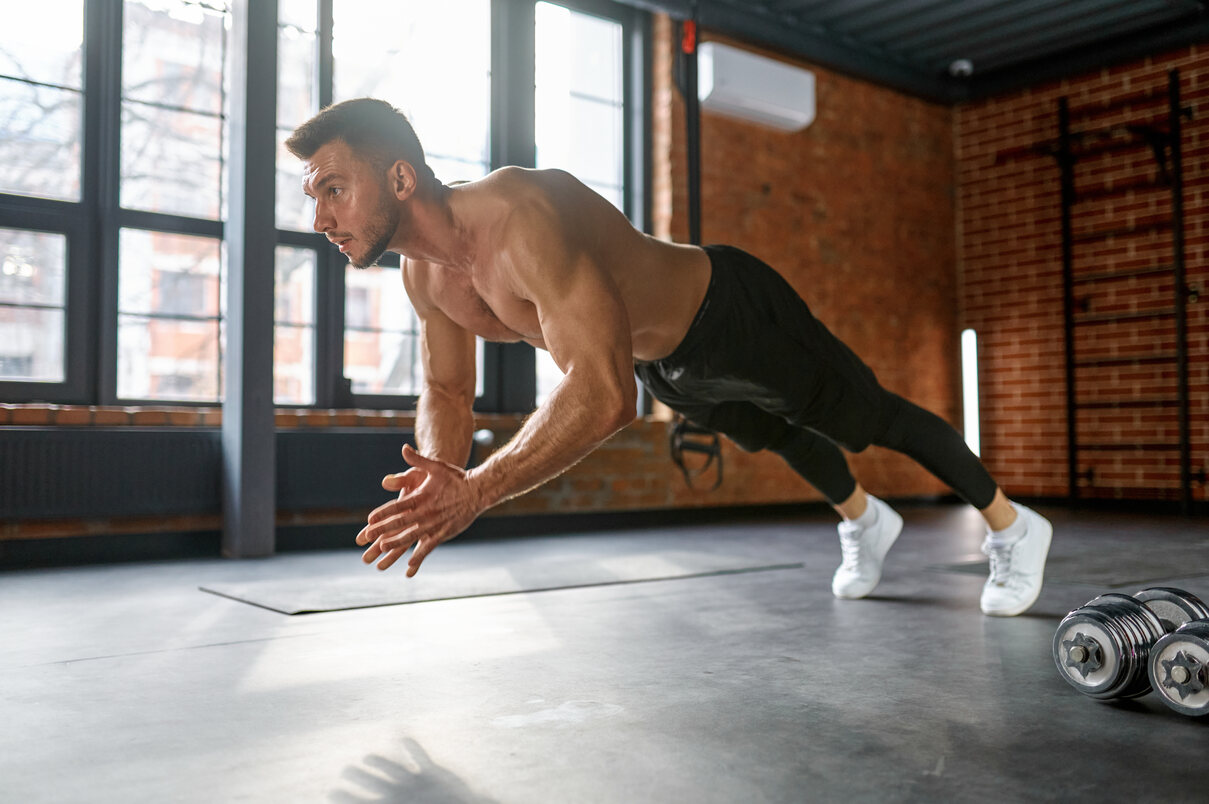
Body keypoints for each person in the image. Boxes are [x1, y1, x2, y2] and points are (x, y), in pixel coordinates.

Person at [285, 98, 1053, 617]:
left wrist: (477, 492)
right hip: (665, 360)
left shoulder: (521, 217)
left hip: (728, 310)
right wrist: (439, 480)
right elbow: (447, 392)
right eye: (313, 199)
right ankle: (865, 521)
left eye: (332, 191)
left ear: (399, 177)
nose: (319, 218)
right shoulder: (425, 277)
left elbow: (601, 394)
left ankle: (1011, 526)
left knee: (860, 418)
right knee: (773, 435)